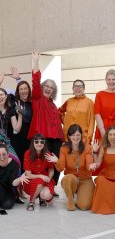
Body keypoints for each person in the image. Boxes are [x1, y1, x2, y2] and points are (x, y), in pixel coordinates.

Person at [28, 52, 64, 195]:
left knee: (56, 163)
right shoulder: (38, 99)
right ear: (43, 87)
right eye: (47, 86)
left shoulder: (53, 104)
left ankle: (52, 186)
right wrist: (35, 62)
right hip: (44, 137)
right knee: (44, 163)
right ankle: (44, 186)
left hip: (57, 138)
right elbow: (35, 81)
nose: (49, 88)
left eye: (52, 87)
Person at [47, 124, 95, 211]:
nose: (76, 137)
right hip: (71, 179)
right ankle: (70, 198)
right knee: (68, 179)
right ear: (69, 136)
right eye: (73, 135)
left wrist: (91, 165)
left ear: (81, 135)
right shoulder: (64, 149)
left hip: (85, 179)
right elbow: (61, 168)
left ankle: (79, 195)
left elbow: (89, 165)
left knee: (85, 206)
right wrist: (56, 161)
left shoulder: (87, 147)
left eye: (78, 135)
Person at [94, 69, 115, 174]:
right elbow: (97, 113)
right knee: (102, 150)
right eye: (109, 79)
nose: (111, 82)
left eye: (113, 79)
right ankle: (103, 177)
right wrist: (103, 131)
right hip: (103, 125)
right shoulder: (99, 94)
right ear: (105, 80)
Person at [90, 126, 115, 214]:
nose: (113, 137)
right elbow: (98, 164)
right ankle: (101, 207)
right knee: (101, 180)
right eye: (110, 135)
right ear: (107, 137)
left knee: (112, 188)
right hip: (106, 175)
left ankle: (113, 206)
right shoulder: (103, 148)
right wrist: (94, 152)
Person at [23, 134, 55, 211]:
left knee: (47, 195)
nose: (39, 144)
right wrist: (41, 176)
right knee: (39, 182)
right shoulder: (28, 153)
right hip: (32, 178)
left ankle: (41, 198)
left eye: (41, 142)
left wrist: (49, 178)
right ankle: (31, 202)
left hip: (45, 177)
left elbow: (51, 169)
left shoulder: (47, 153)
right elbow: (28, 174)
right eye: (36, 142)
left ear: (44, 143)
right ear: (33, 143)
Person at [59, 79, 94, 144]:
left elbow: (91, 122)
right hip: (67, 138)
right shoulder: (69, 101)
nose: (78, 88)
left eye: (80, 86)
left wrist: (88, 139)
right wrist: (65, 121)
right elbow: (60, 112)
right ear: (72, 88)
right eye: (75, 86)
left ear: (84, 89)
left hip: (82, 139)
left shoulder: (89, 102)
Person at [0, 143, 29, 210]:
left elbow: (13, 182)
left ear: (8, 154)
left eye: (4, 154)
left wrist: (19, 179)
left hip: (9, 189)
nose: (2, 157)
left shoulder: (14, 164)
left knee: (7, 206)